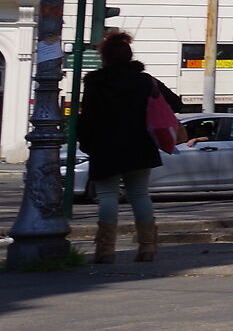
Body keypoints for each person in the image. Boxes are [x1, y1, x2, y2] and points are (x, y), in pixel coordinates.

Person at [73, 30, 185, 264]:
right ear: (129, 56)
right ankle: (147, 248)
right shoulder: (145, 81)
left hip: (105, 147)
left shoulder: (95, 82)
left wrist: (86, 143)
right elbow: (176, 104)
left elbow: (87, 117)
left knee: (106, 196)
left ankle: (105, 250)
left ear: (105, 58)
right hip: (140, 145)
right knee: (139, 194)